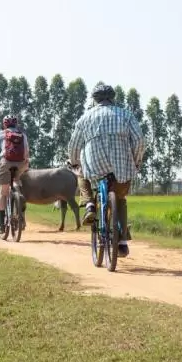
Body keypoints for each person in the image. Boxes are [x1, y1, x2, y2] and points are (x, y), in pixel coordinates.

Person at [67, 83, 145, 258]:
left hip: (94, 166)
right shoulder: (126, 115)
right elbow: (140, 140)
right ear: (113, 98)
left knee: (80, 172)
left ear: (95, 100)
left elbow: (73, 147)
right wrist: (135, 161)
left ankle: (89, 205)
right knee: (121, 199)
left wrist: (73, 162)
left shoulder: (85, 118)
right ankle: (122, 242)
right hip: (122, 167)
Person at [0, 115, 30, 233]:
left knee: (3, 193)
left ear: (4, 124)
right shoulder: (23, 135)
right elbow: (27, 153)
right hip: (21, 163)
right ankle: (20, 198)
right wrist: (25, 166)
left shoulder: (1, 134)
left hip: (6, 162)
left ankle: (1, 226)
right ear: (16, 124)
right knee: (17, 182)